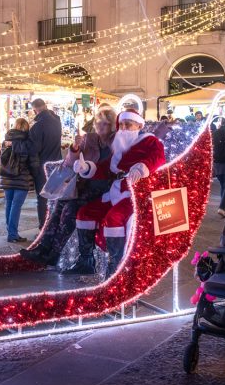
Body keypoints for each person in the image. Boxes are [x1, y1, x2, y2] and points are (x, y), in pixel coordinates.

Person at [20, 105, 118, 269]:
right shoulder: (89, 139)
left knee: (70, 210)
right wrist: (75, 149)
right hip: (84, 186)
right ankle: (44, 248)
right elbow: (69, 164)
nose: (101, 127)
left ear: (112, 125)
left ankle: (54, 253)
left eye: (106, 124)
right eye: (99, 123)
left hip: (103, 189)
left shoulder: (116, 142)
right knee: (59, 206)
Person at [73, 110, 166, 278]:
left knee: (113, 218)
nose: (123, 128)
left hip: (135, 194)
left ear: (139, 125)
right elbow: (105, 167)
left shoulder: (149, 141)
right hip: (116, 192)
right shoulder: (119, 147)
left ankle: (116, 267)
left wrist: (141, 167)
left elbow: (158, 157)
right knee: (84, 213)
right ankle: (86, 261)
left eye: (128, 124)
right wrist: (86, 168)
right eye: (121, 124)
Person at [27, 98, 62, 230]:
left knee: (42, 197)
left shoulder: (38, 126)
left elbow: (34, 149)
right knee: (55, 197)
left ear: (35, 109)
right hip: (57, 164)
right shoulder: (57, 121)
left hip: (43, 166)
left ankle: (44, 227)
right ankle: (55, 225)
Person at [0, 118, 35, 243]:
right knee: (16, 206)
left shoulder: (6, 140)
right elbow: (28, 161)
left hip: (6, 178)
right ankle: (12, 234)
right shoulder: (25, 142)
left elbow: (0, 158)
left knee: (9, 204)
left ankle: (11, 232)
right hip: (21, 178)